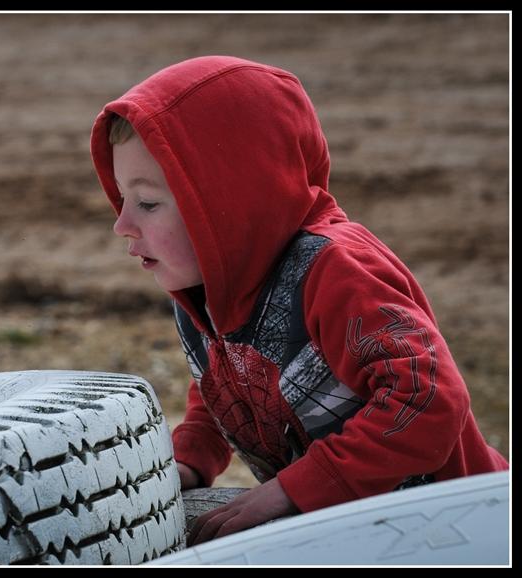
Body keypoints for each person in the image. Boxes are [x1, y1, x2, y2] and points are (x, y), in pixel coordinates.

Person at [89, 56, 508, 546]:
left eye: (149, 202)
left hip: (461, 528)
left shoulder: (336, 273)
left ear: (232, 199)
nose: (122, 224)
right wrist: (187, 461)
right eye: (122, 199)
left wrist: (293, 490)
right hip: (357, 534)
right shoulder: (207, 291)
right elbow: (222, 385)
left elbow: (429, 399)